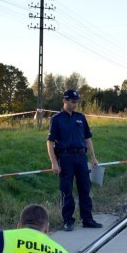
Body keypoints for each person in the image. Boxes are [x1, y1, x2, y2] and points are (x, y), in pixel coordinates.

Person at [47, 89, 103, 231]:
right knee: (67, 190)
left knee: (85, 188)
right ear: (65, 100)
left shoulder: (81, 117)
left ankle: (87, 219)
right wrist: (54, 162)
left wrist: (93, 157)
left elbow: (87, 138)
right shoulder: (57, 119)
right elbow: (50, 142)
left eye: (77, 102)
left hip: (81, 157)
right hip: (65, 158)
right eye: (72, 102)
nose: (75, 105)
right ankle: (68, 220)